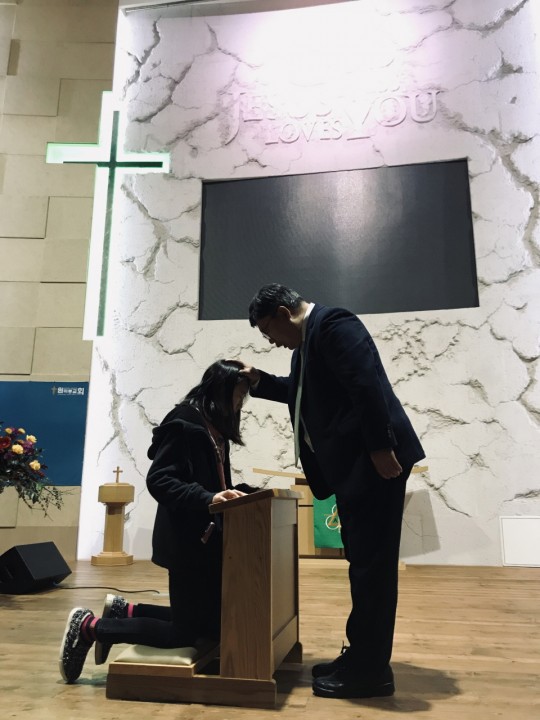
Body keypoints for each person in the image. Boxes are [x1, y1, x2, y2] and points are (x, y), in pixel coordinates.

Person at [242, 284, 425, 699]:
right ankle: (362, 656)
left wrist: (380, 447)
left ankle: (370, 672)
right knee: (363, 566)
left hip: (374, 464)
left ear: (285, 313)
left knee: (372, 570)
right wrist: (257, 380)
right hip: (358, 468)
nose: (270, 341)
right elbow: (299, 393)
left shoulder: (335, 325)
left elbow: (366, 385)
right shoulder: (305, 346)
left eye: (269, 331)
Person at [59, 360, 253, 684]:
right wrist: (207, 498)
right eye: (238, 394)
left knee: (208, 624)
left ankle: (126, 612)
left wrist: (240, 493)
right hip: (188, 542)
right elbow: (160, 480)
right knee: (184, 633)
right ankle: (90, 627)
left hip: (206, 543)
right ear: (220, 389)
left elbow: (213, 481)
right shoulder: (185, 422)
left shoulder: (215, 429)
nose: (240, 403)